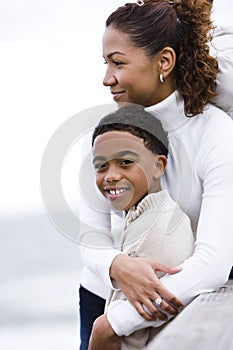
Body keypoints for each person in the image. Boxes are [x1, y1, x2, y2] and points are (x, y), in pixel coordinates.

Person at [77, 1, 233, 349]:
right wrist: (118, 266)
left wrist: (114, 325)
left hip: (167, 309)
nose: (107, 79)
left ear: (164, 62)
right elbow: (90, 235)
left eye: (118, 63)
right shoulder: (106, 132)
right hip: (98, 299)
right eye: (106, 64)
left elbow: (214, 262)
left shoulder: (217, 136)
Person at [89, 105, 194, 349]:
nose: (110, 176)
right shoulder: (152, 213)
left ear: (159, 166)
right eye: (101, 166)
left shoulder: (152, 232)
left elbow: (125, 340)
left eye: (125, 162)